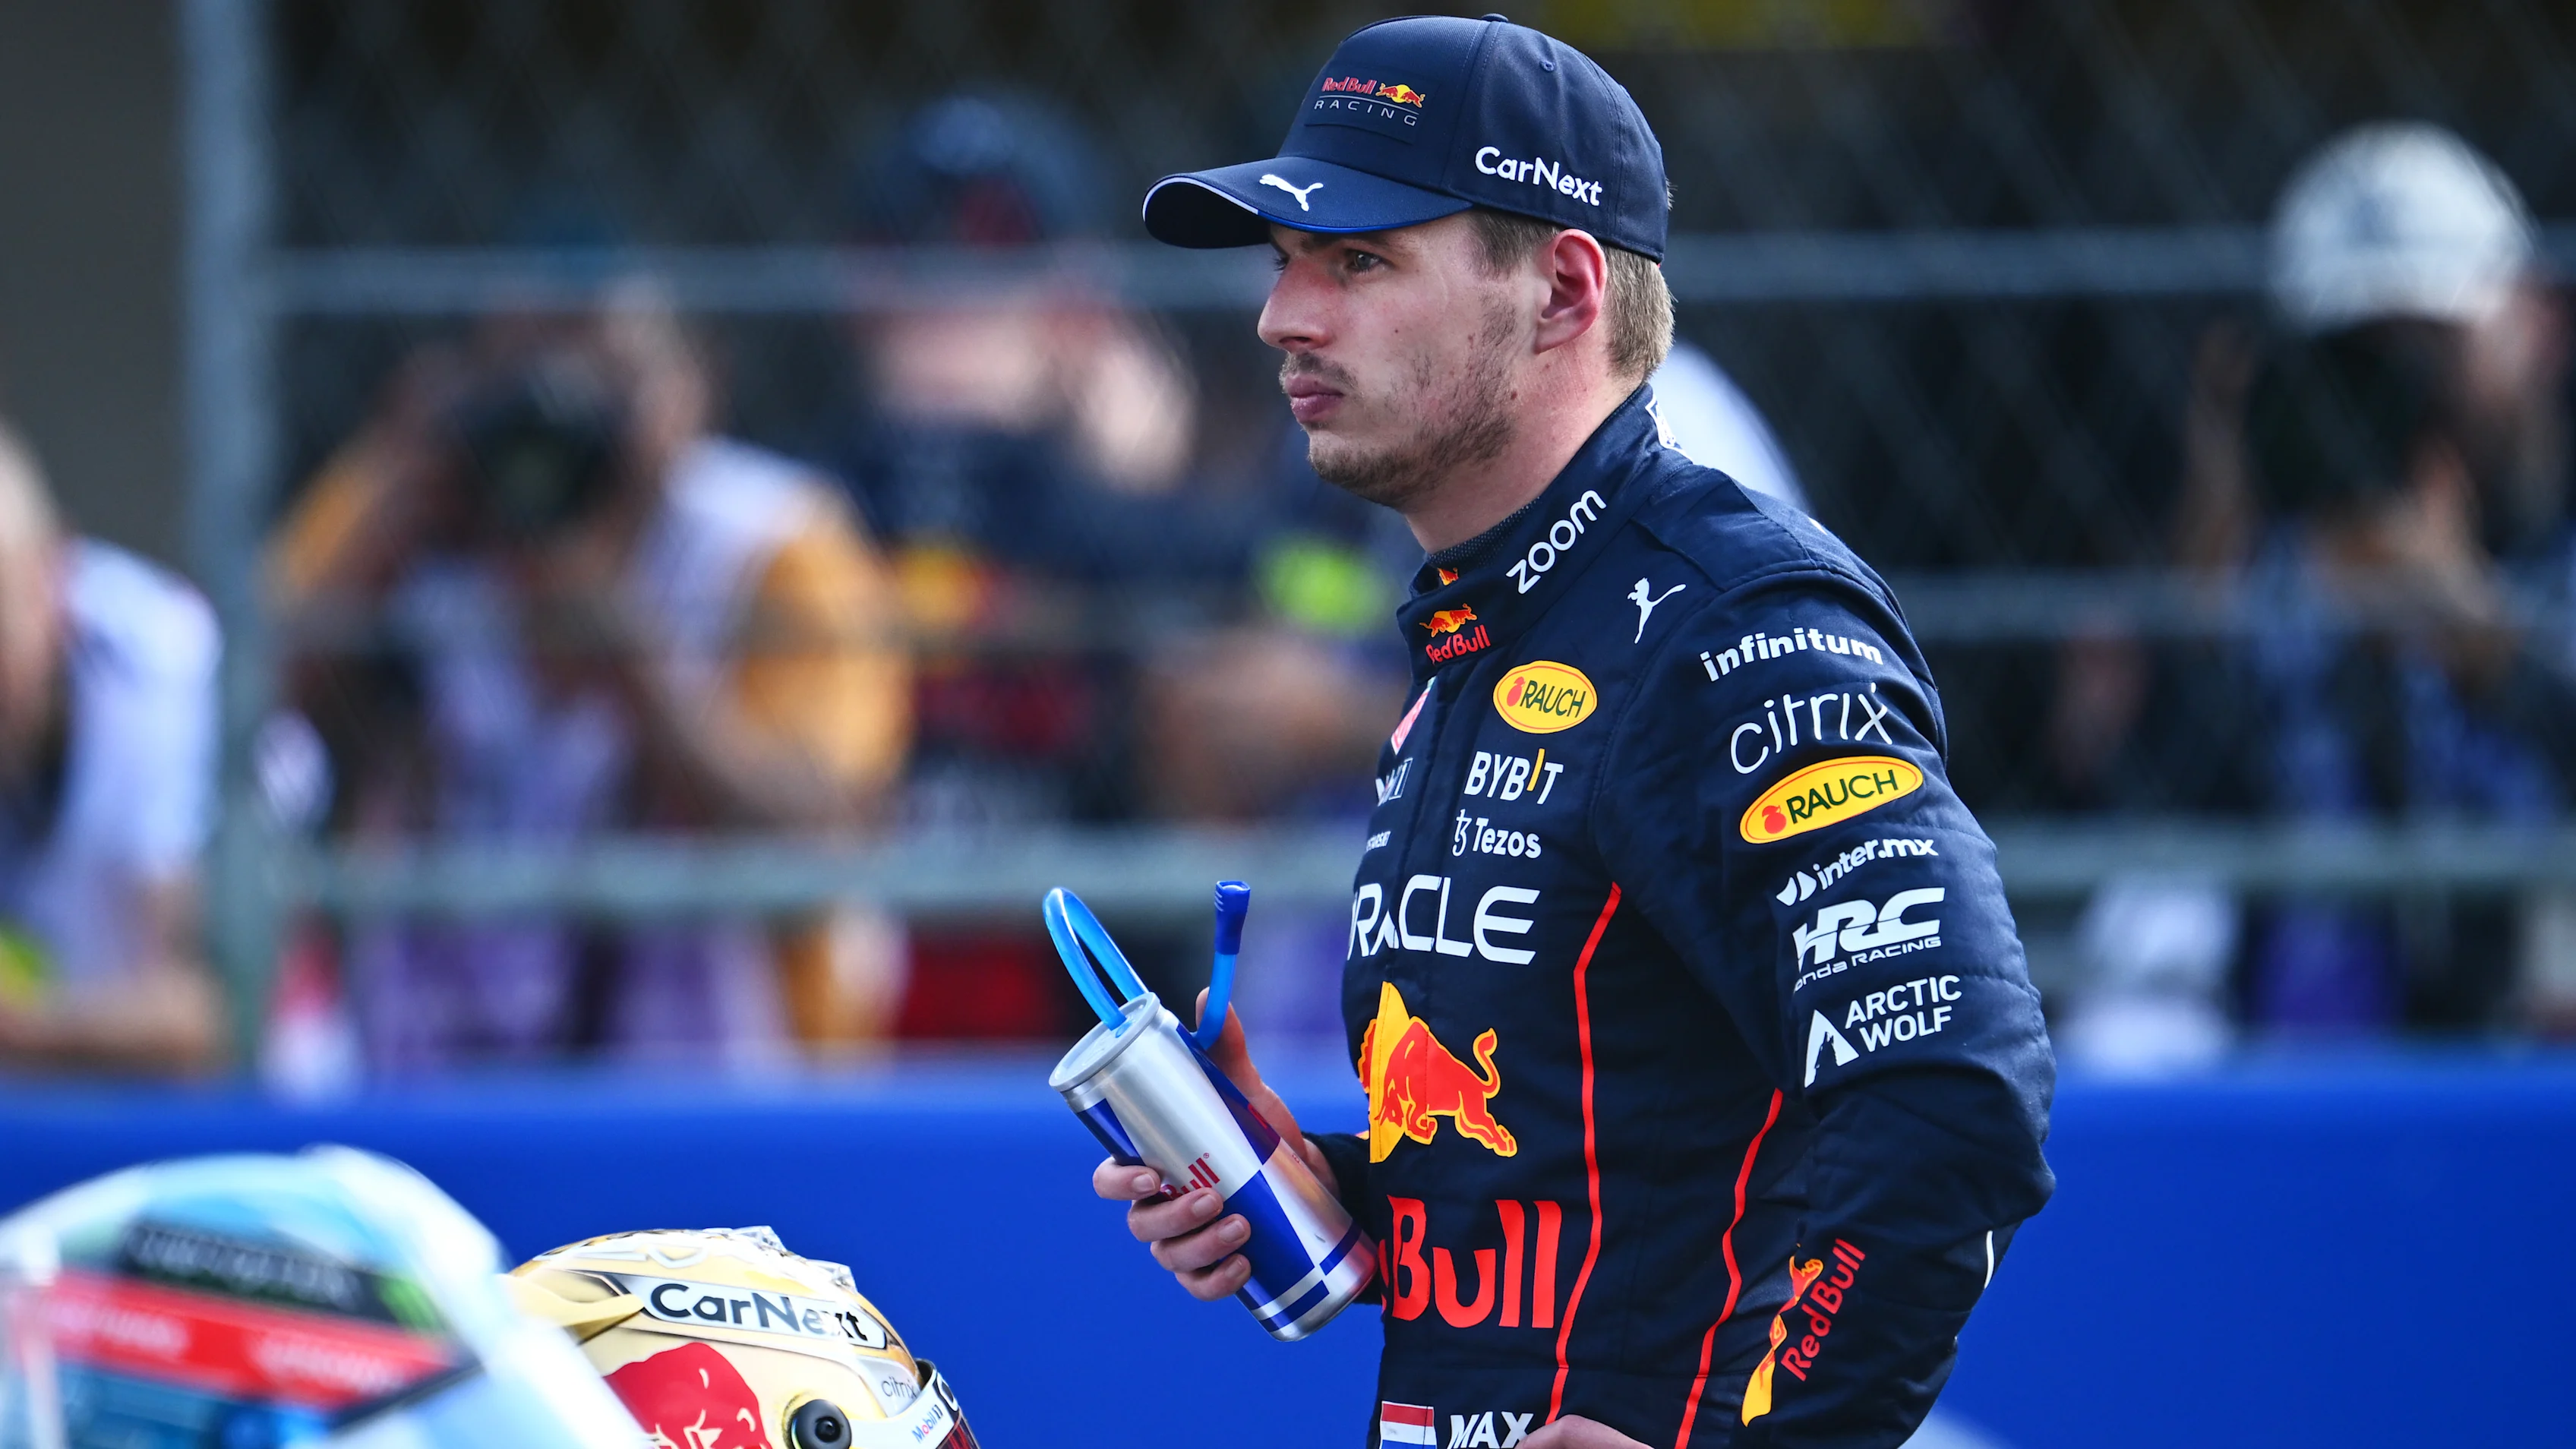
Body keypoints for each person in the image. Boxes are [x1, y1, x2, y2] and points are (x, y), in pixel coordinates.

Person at [1093, 17, 2055, 1447]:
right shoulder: (1476, 635)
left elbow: (1949, 1093)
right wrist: (1336, 1186)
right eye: (1285, 262)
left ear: (1561, 289)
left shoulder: (1728, 626)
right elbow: (1622, 1162)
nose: (1281, 316)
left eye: (1358, 261)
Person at [273, 299, 911, 1070]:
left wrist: (634, 670)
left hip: (728, 1086)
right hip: (436, 1069)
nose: (562, 410)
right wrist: (382, 538)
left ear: (694, 388)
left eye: (610, 378)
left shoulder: (769, 544)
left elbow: (826, 841)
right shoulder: (416, 507)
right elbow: (228, 727)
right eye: (528, 372)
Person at [0, 421, 221, 1073]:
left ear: (55, 578)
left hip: (230, 1129)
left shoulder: (166, 673)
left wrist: (23, 1027)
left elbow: (202, 1023)